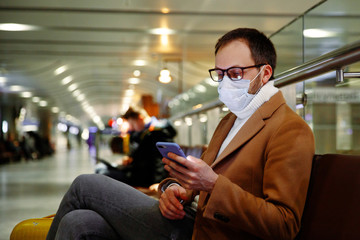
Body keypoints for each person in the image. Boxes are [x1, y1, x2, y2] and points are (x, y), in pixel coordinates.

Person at [46, 28, 314, 240]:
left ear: (265, 73)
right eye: (219, 75)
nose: (225, 83)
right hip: (191, 222)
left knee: (85, 184)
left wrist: (213, 185)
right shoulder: (231, 120)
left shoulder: (289, 129)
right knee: (78, 222)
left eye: (234, 73)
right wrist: (175, 188)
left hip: (216, 233)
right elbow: (199, 182)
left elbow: (284, 224)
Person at [97, 106, 177, 187]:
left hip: (144, 178)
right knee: (100, 168)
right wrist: (131, 159)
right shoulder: (146, 132)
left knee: (101, 172)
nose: (132, 128)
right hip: (137, 172)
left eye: (133, 124)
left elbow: (161, 160)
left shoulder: (158, 132)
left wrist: (159, 183)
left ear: (140, 118)